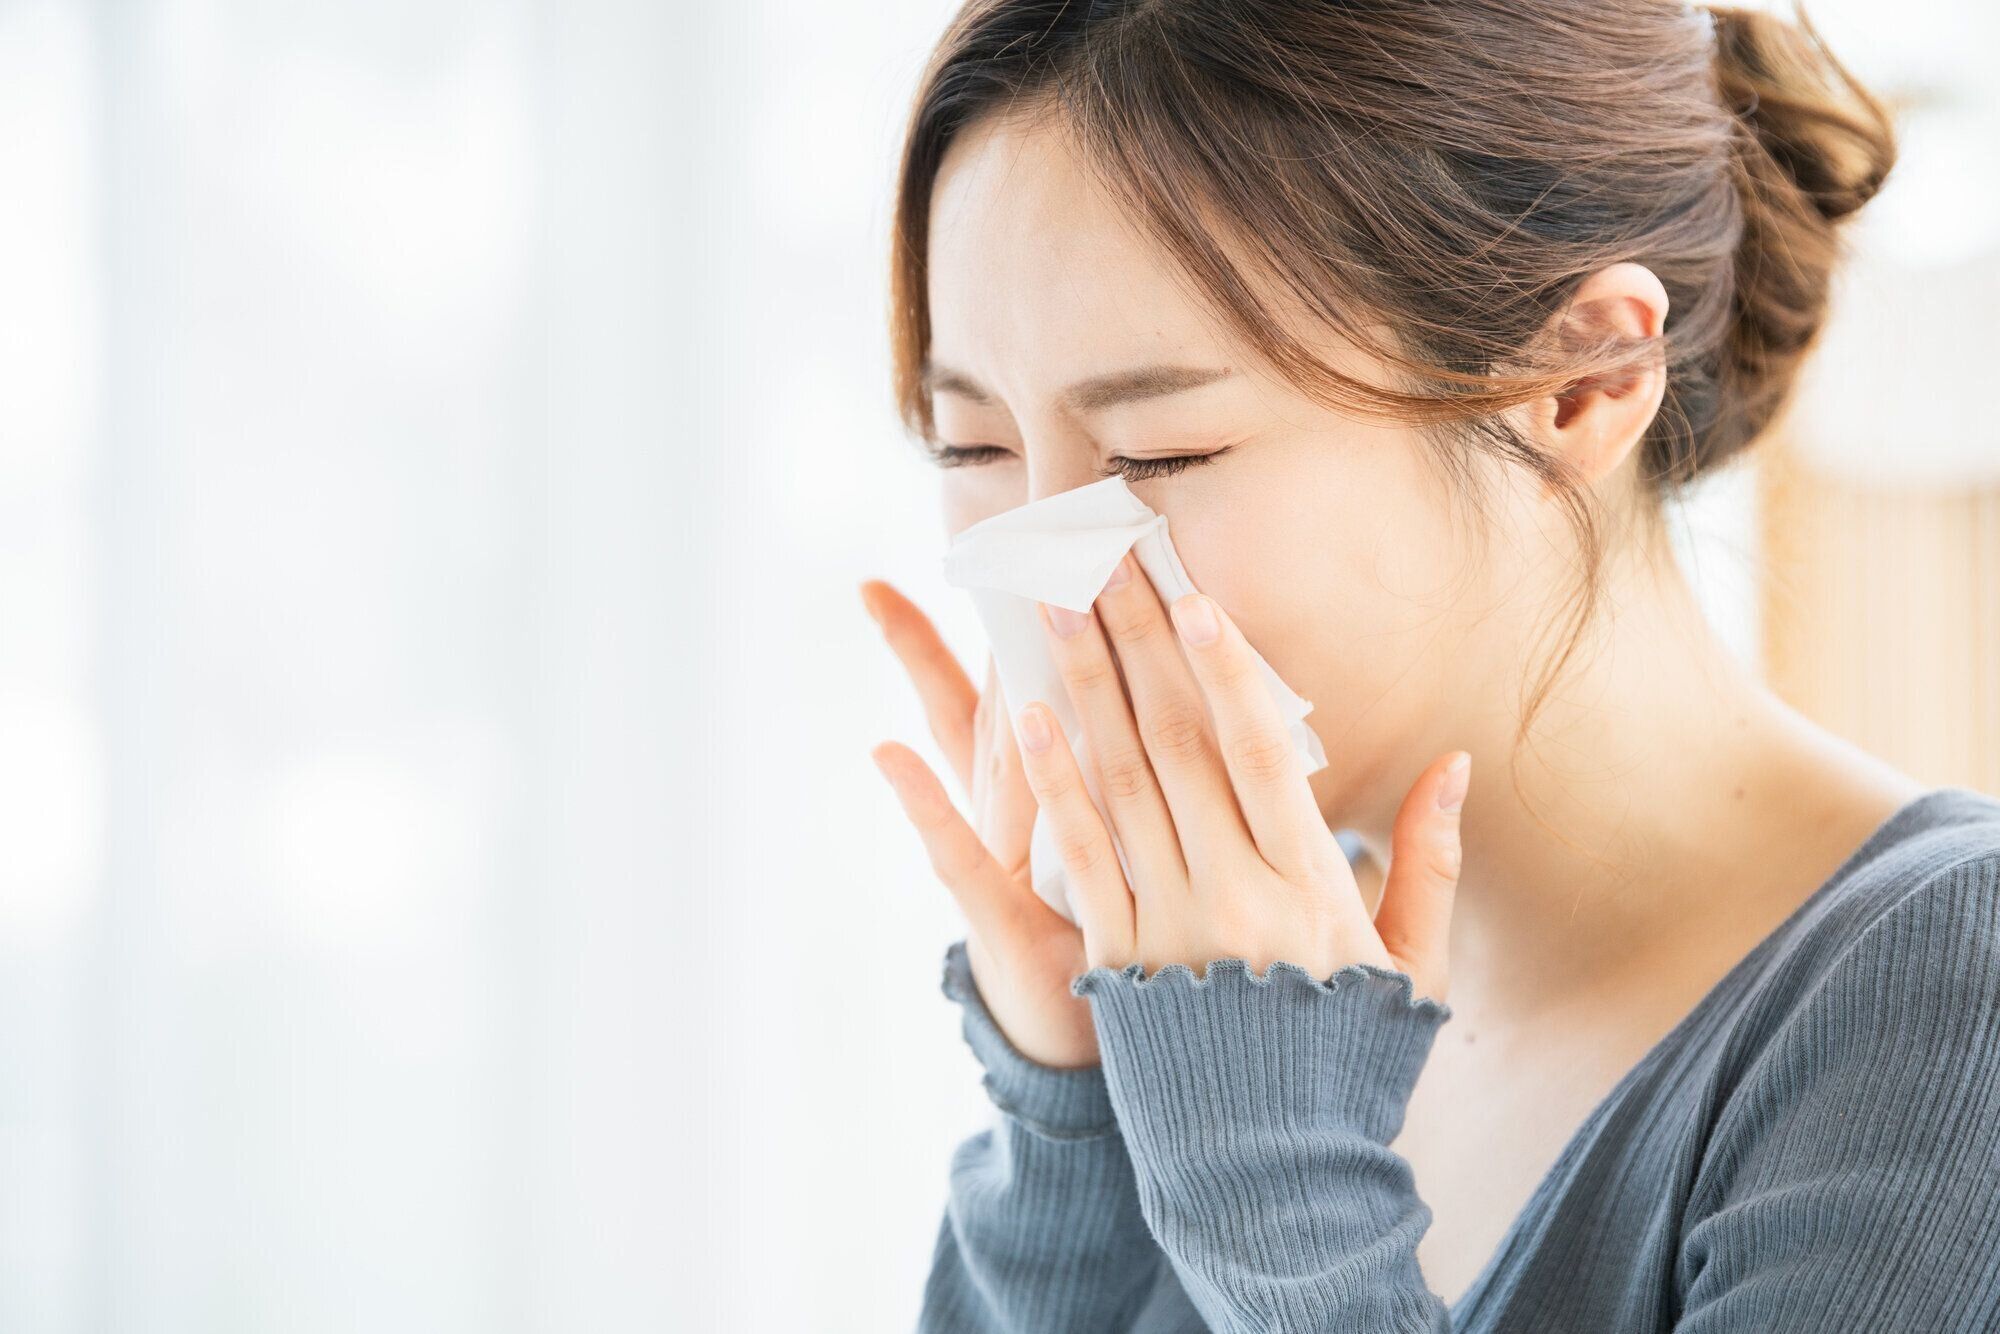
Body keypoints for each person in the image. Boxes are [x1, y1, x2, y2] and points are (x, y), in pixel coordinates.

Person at [857, 0, 2000, 1328]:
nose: (1046, 573)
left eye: (1158, 452)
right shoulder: (1222, 983)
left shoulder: (1944, 1005)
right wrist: (1075, 1114)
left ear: (1581, 376)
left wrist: (1269, 1179)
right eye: (972, 449)